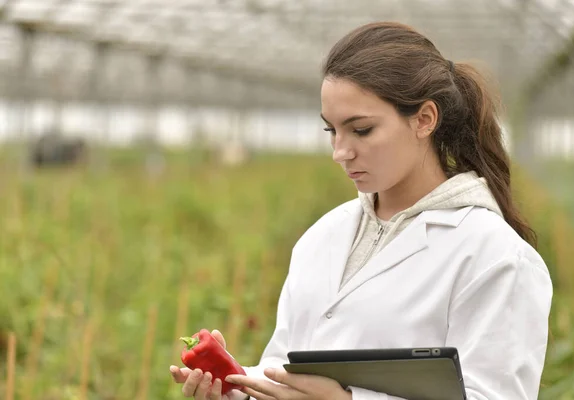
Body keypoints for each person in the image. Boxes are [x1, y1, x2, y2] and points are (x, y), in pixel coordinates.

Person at [170, 21, 553, 400]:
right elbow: (285, 371)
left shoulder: (494, 255)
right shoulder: (322, 236)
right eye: (331, 130)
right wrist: (239, 386)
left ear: (424, 120)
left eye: (362, 130)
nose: (340, 151)